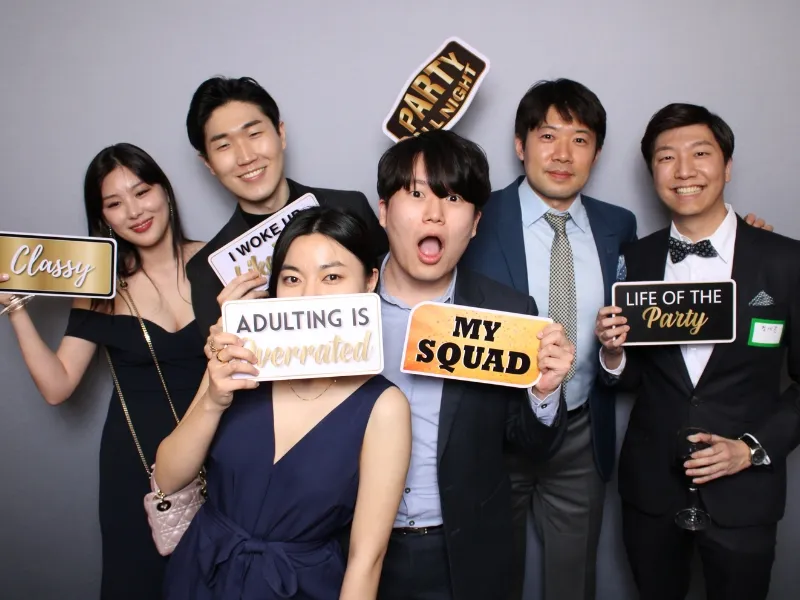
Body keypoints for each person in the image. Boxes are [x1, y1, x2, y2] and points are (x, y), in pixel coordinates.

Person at [460, 79, 776, 600]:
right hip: (492, 428)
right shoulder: (475, 216)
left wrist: (749, 245)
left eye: (580, 139)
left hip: (582, 432)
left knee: (572, 581)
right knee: (488, 578)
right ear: (520, 145)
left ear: (597, 153)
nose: (563, 154)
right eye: (547, 136)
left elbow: (659, 300)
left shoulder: (617, 226)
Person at [595, 103, 800, 600]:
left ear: (727, 167)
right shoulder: (634, 259)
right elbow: (633, 377)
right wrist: (614, 354)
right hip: (651, 491)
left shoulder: (784, 260)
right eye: (666, 158)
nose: (684, 171)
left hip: (745, 494)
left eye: (701, 154)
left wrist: (750, 448)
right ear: (653, 174)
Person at [156, 206, 412, 600]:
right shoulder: (240, 361)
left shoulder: (384, 407)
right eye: (292, 278)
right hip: (201, 573)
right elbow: (168, 480)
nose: (309, 295)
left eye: (332, 276)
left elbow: (367, 559)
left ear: (368, 282)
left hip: (299, 586)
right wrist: (213, 399)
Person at [372, 129, 573, 600]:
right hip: (350, 546)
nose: (434, 213)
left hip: (465, 553)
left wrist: (544, 393)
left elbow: (531, 444)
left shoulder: (510, 314)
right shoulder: (338, 301)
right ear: (383, 211)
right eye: (416, 193)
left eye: (455, 197)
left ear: (476, 222)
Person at [0, 143, 207, 599]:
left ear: (165, 192)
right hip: (137, 467)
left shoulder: (217, 261)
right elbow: (58, 386)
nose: (134, 211)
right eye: (114, 203)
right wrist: (14, 307)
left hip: (223, 455)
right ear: (103, 218)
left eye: (142, 191)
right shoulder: (100, 286)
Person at [183, 75, 389, 337]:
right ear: (208, 163)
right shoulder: (206, 271)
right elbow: (225, 367)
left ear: (280, 134)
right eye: (224, 145)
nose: (246, 157)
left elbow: (393, 299)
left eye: (255, 133)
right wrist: (233, 328)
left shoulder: (349, 206)